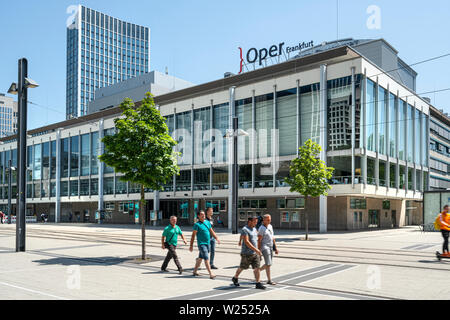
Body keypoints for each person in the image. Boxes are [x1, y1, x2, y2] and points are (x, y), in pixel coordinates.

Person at [232, 216, 266, 290]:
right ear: (250, 221)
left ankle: (258, 283)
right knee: (242, 267)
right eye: (254, 222)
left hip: (255, 253)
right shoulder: (245, 229)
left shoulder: (254, 229)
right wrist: (240, 241)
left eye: (256, 222)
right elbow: (247, 242)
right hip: (246, 253)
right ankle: (235, 277)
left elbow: (256, 239)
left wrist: (258, 249)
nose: (256, 223)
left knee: (257, 268)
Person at [189, 210, 220, 279]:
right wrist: (191, 245)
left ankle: (195, 271)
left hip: (207, 243)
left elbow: (211, 231)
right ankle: (211, 274)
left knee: (200, 258)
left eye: (204, 215)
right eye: (202, 215)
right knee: (206, 258)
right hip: (201, 244)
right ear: (198, 216)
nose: (203, 216)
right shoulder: (197, 225)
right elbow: (193, 236)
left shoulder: (207, 222)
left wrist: (216, 238)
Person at [258, 214, 279, 285]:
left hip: (270, 247)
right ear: (264, 220)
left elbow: (273, 238)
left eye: (270, 219)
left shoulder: (270, 226)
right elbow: (259, 240)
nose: (269, 221)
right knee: (268, 263)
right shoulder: (261, 228)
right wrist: (259, 251)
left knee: (269, 264)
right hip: (264, 247)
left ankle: (269, 280)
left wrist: (275, 248)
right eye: (268, 220)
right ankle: (258, 271)